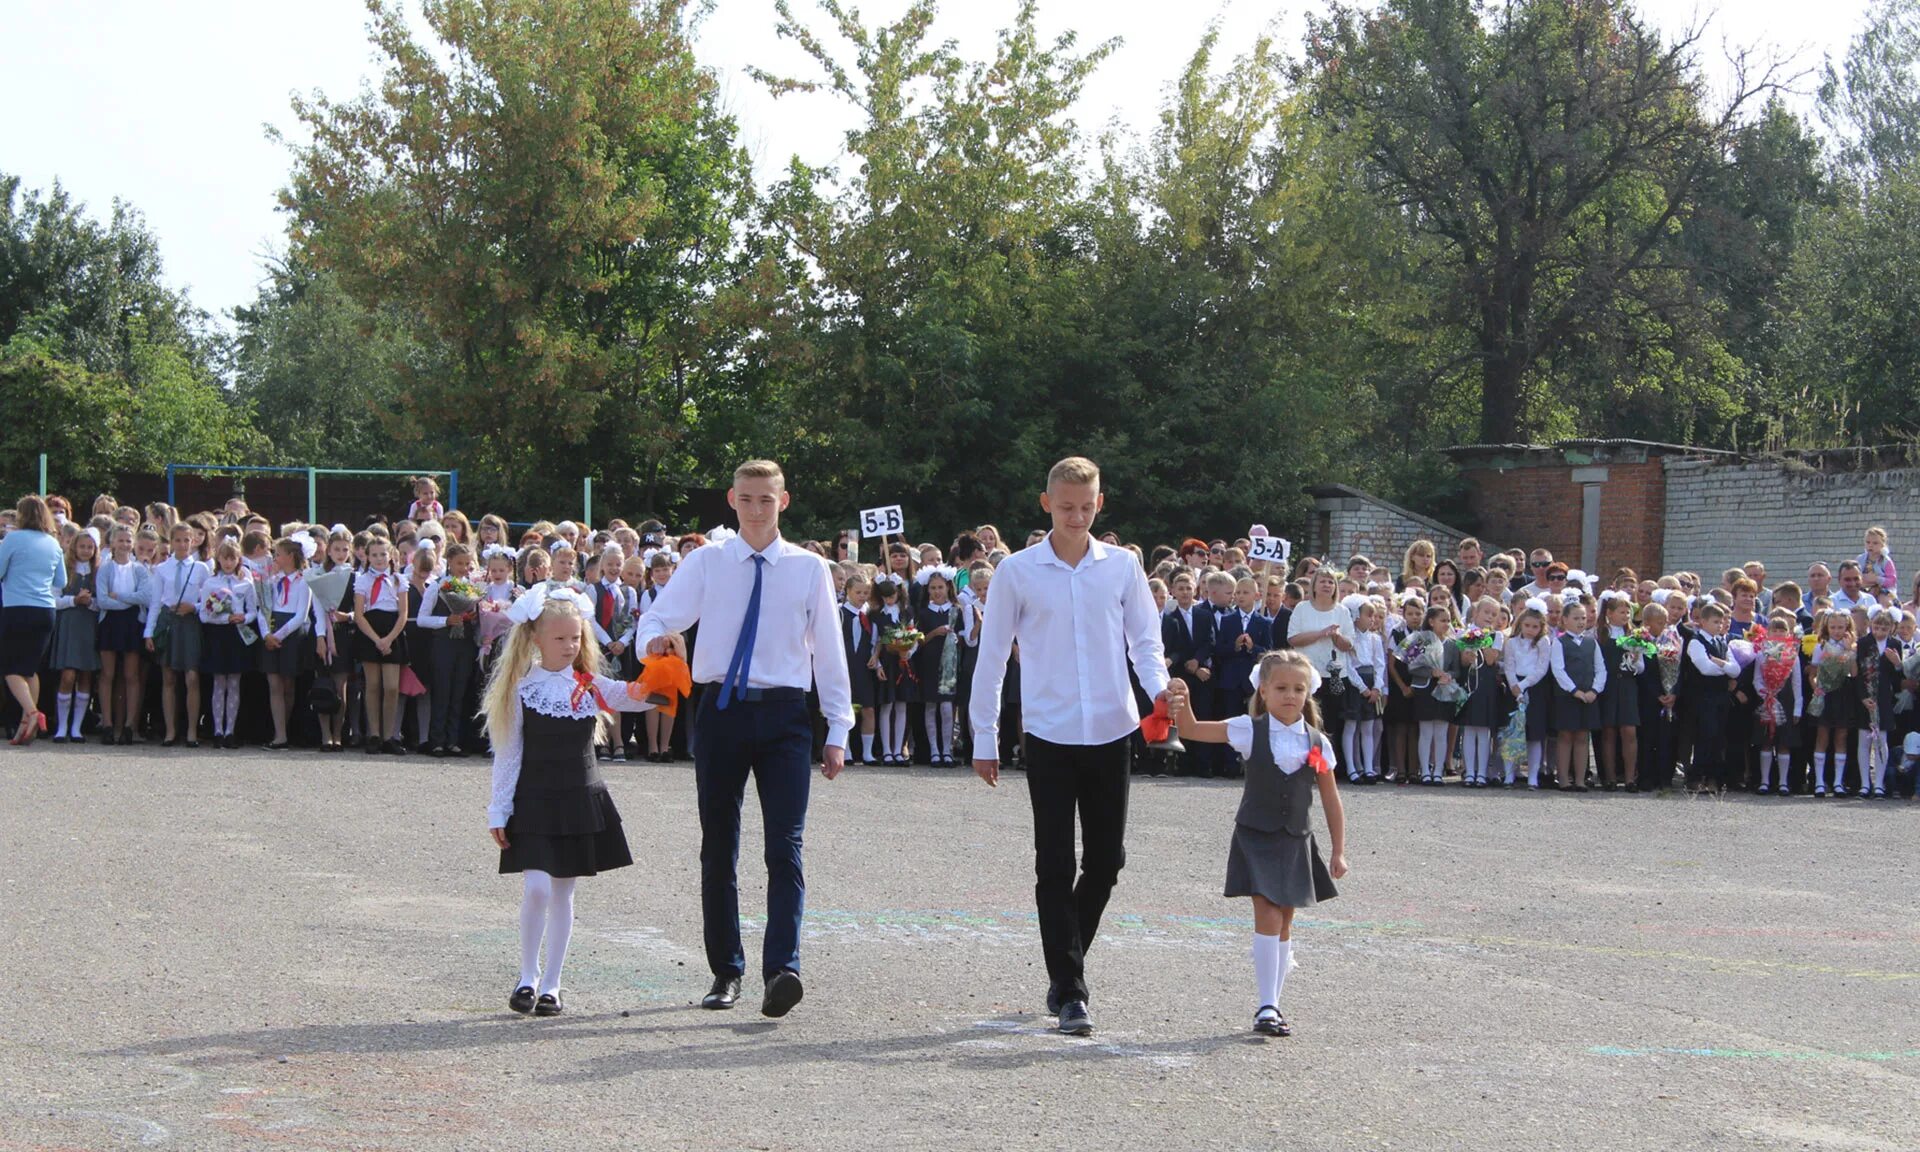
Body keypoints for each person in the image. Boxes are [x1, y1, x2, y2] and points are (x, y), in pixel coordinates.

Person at [633, 460, 853, 1021]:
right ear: (732, 499)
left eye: (767, 499)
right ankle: (726, 970)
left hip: (784, 715)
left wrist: (838, 728)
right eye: (748, 499)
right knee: (719, 846)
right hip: (721, 710)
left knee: (785, 847)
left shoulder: (809, 569)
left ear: (785, 501)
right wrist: (657, 641)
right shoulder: (707, 562)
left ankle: (783, 969)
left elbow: (829, 650)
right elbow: (657, 616)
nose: (757, 509)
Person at [970, 456, 1169, 1038]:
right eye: (1065, 507)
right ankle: (1072, 989)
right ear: (1046, 504)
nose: (1076, 516)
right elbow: (991, 657)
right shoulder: (1017, 571)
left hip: (1112, 727)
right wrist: (985, 736)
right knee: (1054, 862)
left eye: (1085, 507)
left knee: (1107, 860)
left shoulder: (1124, 568)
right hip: (1049, 732)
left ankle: (1065, 961)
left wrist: (1161, 694)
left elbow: (1145, 641)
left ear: (1099, 504)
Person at [484, 585, 664, 1017]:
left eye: (576, 638)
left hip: (579, 799)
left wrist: (663, 673)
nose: (570, 646)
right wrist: (499, 809)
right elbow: (508, 756)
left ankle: (552, 985)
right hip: (534, 801)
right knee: (538, 888)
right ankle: (526, 976)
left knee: (563, 894)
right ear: (536, 640)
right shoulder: (521, 690)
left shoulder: (589, 685)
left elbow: (639, 697)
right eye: (560, 638)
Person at [1165, 649, 1348, 1038]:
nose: (1290, 695)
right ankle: (1266, 1005)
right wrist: (1181, 699)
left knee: (1284, 921)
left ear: (1309, 693)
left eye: (1298, 689)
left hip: (1296, 839)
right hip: (1255, 835)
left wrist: (1338, 849)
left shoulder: (1317, 741)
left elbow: (1331, 799)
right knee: (1266, 913)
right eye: (1281, 688)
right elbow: (1194, 729)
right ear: (1263, 691)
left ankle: (1274, 1002)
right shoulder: (1249, 728)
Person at [0, 496, 67, 743]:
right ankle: (25, 728)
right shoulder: (53, 543)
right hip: (45, 611)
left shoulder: (13, 539)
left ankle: (31, 712)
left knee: (8, 668)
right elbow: (61, 582)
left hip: (17, 608)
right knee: (30, 670)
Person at [146, 522, 210, 748]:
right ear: (171, 542)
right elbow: (155, 602)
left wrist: (194, 607)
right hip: (169, 621)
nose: (182, 544)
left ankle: (192, 730)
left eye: (186, 540)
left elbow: (210, 599)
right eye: (178, 540)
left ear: (193, 541)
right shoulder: (162, 569)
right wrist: (149, 632)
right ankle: (170, 730)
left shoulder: (201, 568)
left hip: (190, 622)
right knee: (168, 677)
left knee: (192, 677)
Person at [198, 541, 260, 749]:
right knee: (218, 682)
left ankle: (230, 731)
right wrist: (225, 618)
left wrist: (244, 617)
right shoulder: (211, 583)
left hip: (237, 635)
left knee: (234, 682)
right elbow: (204, 615)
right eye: (225, 558)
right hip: (218, 634)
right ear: (218, 559)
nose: (228, 562)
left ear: (238, 560)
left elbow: (253, 610)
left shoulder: (245, 583)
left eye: (232, 558)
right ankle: (217, 730)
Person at [94, 524, 151, 745]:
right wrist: (129, 599)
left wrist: (119, 596)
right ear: (112, 543)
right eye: (120, 540)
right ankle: (108, 724)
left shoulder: (139, 569)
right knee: (107, 674)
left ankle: (129, 724)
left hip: (132, 624)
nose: (125, 545)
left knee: (131, 675)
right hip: (110, 622)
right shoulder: (105, 568)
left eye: (128, 541)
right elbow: (102, 600)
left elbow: (145, 597)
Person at [354, 536, 411, 755]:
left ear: (391, 556)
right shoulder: (362, 580)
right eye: (374, 555)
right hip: (370, 631)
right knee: (373, 685)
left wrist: (388, 639)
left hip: (392, 631)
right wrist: (376, 639)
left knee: (392, 687)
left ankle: (390, 736)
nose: (379, 559)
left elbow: (404, 613)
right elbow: (359, 614)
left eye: (383, 554)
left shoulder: (398, 580)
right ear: (367, 557)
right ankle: (375, 734)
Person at [49, 527, 102, 742]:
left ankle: (76, 728)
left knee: (85, 675)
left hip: (88, 626)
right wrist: (74, 600)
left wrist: (90, 602)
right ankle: (62, 726)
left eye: (90, 547)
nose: (86, 550)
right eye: (82, 546)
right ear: (74, 547)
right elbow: (53, 599)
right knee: (68, 675)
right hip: (69, 625)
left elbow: (103, 602)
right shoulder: (65, 568)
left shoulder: (98, 571)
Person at [1550, 600, 1605, 791]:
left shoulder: (1592, 642)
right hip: (1567, 697)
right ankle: (1564, 779)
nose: (1581, 621)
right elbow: (1558, 670)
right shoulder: (1559, 642)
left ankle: (1580, 779)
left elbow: (1601, 669)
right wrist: (1574, 691)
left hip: (1588, 697)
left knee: (1582, 737)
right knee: (1565, 736)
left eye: (1583, 617)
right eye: (1576, 618)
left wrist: (1594, 691)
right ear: (1564, 620)